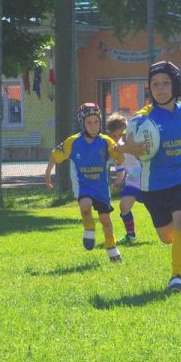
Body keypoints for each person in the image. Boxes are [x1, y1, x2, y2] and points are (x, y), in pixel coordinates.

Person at [116, 61, 181, 293]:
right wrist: (129, 148)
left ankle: (176, 277)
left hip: (180, 180)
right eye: (155, 84)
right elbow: (119, 144)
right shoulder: (142, 118)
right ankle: (176, 248)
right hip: (153, 186)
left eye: (166, 83)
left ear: (175, 85)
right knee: (167, 237)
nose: (160, 89)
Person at [45, 103, 125, 262]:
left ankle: (112, 249)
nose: (94, 126)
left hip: (101, 188)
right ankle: (89, 230)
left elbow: (119, 160)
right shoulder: (73, 142)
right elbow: (55, 155)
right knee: (85, 206)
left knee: (106, 221)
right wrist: (48, 175)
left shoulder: (107, 141)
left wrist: (120, 153)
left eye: (96, 121)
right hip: (84, 186)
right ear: (82, 123)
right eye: (89, 122)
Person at [105, 113, 143, 245]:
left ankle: (174, 230)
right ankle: (131, 236)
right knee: (124, 206)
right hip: (133, 181)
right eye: (114, 136)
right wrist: (118, 181)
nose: (118, 139)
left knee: (157, 209)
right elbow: (120, 168)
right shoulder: (115, 150)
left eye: (121, 135)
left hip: (148, 180)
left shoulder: (136, 141)